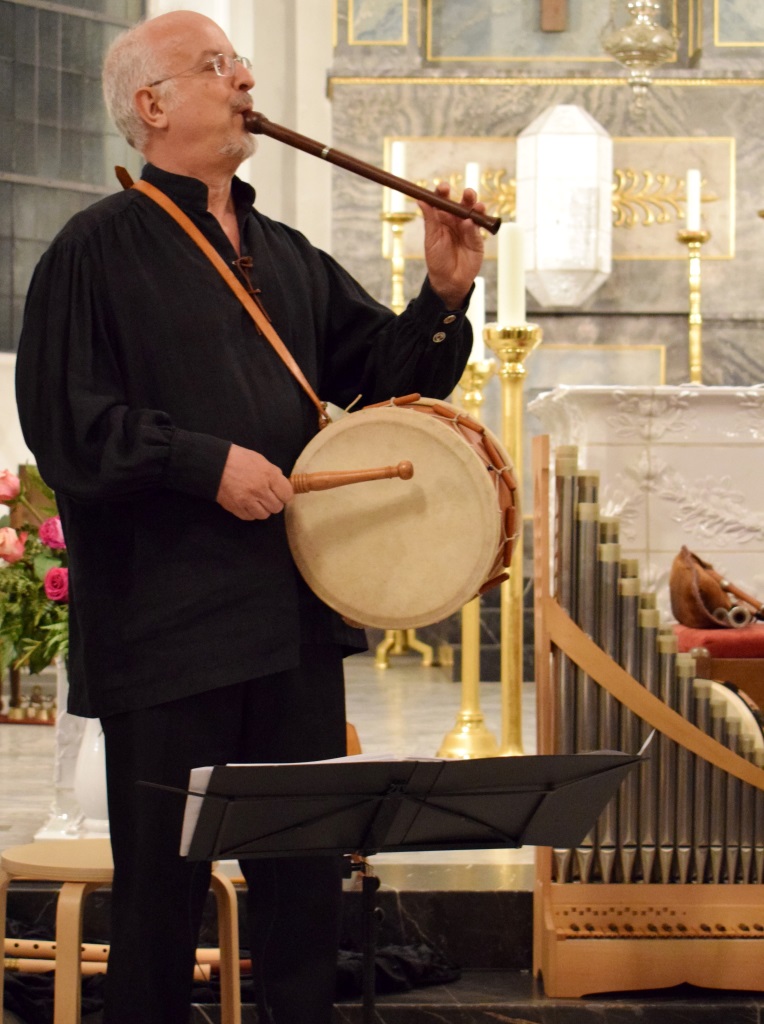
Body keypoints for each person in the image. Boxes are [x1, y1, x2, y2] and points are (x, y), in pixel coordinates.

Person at [15, 10, 485, 1024]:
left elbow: (385, 382)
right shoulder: (91, 251)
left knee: (302, 916)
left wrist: (441, 296)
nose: (244, 80)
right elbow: (68, 429)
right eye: (216, 66)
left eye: (239, 63)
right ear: (153, 105)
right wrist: (202, 464)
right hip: (165, 637)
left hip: (291, 627)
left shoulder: (284, 251)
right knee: (157, 918)